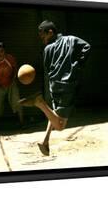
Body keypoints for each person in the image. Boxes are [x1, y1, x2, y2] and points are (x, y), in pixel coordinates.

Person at [19, 20, 91, 155]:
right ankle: (39, 103)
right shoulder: (71, 39)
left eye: (43, 36)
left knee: (54, 114)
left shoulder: (47, 49)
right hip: (68, 86)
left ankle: (45, 141)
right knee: (60, 126)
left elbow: (47, 69)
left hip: (54, 86)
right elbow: (87, 47)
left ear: (50, 32)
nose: (43, 40)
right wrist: (77, 65)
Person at [0, 42, 24, 131]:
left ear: (4, 51)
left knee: (17, 102)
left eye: (2, 51)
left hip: (11, 84)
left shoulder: (10, 58)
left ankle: (22, 123)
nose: (0, 53)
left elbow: (15, 70)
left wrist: (13, 81)